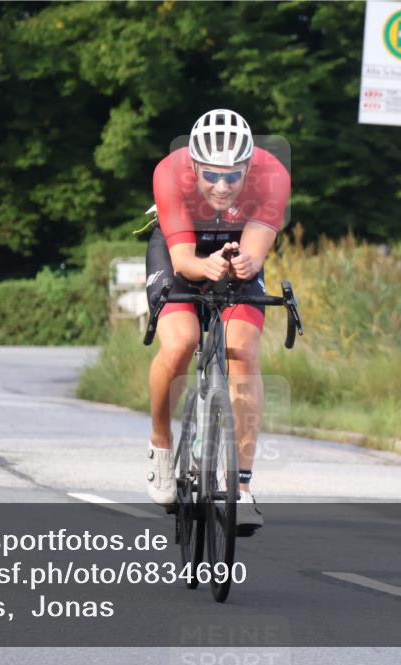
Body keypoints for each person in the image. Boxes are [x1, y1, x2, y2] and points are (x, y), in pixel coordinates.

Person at [144, 109, 290, 534]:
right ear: (193, 166)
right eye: (210, 176)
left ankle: (241, 485)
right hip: (181, 246)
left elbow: (256, 249)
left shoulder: (273, 175)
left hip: (236, 242)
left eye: (232, 176)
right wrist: (202, 266)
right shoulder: (170, 172)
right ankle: (160, 446)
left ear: (249, 166)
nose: (222, 187)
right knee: (181, 342)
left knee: (242, 349)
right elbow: (184, 260)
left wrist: (242, 263)